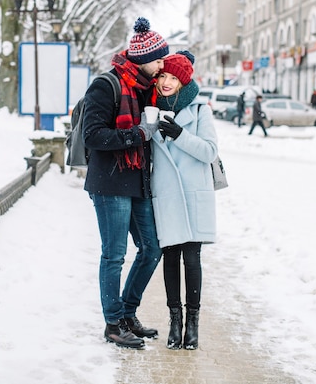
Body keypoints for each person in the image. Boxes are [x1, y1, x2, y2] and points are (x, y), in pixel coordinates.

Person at [82, 17, 168, 349]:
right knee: (114, 255)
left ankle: (128, 314)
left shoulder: (148, 89)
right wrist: (138, 134)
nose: (161, 64)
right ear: (142, 58)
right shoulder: (107, 85)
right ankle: (113, 323)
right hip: (110, 182)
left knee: (151, 249)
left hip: (138, 181)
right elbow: (93, 136)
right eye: (158, 58)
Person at [150, 51, 218, 350]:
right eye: (163, 76)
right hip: (165, 192)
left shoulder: (201, 110)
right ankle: (174, 321)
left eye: (173, 78)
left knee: (192, 258)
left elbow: (209, 152)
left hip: (192, 193)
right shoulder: (149, 108)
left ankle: (192, 324)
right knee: (170, 258)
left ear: (183, 81)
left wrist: (179, 135)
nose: (166, 82)